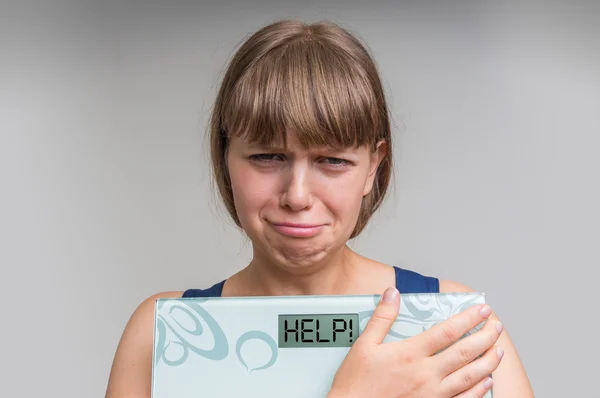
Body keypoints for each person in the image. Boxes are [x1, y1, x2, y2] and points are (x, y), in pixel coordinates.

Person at [105, 19, 534, 397]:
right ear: (225, 158)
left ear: (373, 167)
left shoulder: (456, 324)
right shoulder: (163, 333)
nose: (297, 195)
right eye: (266, 157)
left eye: (332, 161)